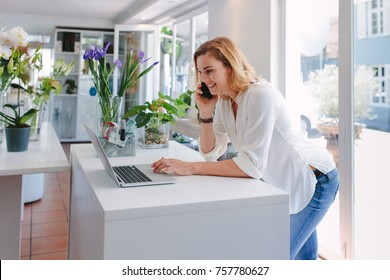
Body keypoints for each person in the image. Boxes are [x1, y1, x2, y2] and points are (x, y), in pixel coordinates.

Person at [151, 37, 339, 260]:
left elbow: (253, 164)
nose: (204, 79)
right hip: (288, 183)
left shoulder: (260, 95)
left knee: (278, 256)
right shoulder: (223, 102)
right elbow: (211, 153)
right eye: (200, 72)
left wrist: (191, 167)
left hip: (315, 179)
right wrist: (205, 112)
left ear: (230, 65)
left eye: (210, 70)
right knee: (302, 259)